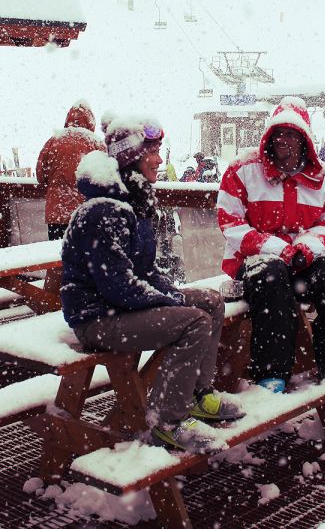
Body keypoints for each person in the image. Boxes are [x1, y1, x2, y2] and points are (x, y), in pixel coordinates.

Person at [61, 115, 244, 454]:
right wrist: (173, 303)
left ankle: (197, 395)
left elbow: (145, 270)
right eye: (152, 152)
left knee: (209, 302)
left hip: (119, 307)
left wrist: (172, 294)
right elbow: (119, 286)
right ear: (130, 157)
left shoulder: (136, 202)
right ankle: (167, 420)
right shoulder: (104, 210)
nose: (160, 160)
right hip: (95, 318)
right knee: (194, 320)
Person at [217, 97, 325, 393]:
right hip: (255, 261)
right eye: (278, 133)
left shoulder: (324, 178)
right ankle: (271, 372)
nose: (283, 140)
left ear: (304, 140)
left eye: (291, 134)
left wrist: (307, 247)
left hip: (301, 263)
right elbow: (231, 223)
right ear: (268, 136)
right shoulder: (242, 170)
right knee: (271, 276)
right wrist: (276, 248)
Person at [36, 101, 105, 240]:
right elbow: (106, 180)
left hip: (57, 214)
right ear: (91, 121)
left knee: (56, 256)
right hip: (86, 215)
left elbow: (40, 175)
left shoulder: (54, 140)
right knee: (85, 259)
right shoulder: (97, 143)